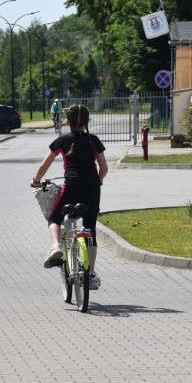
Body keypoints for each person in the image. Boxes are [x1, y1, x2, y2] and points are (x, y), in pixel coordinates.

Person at [30, 103, 109, 269]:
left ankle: (55, 247)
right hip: (92, 188)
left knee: (54, 218)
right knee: (90, 229)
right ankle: (91, 274)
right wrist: (98, 180)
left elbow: (44, 166)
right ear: (87, 121)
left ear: (67, 122)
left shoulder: (62, 140)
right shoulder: (93, 140)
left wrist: (36, 181)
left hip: (71, 186)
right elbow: (104, 168)